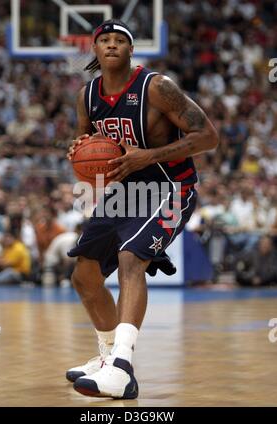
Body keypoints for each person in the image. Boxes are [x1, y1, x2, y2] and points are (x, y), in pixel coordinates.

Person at [66, 19, 219, 399]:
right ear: (96, 50)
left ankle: (122, 367)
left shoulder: (157, 87)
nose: (112, 45)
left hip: (171, 188)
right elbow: (91, 151)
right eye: (105, 40)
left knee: (130, 259)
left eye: (121, 40)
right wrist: (78, 155)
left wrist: (148, 156)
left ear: (131, 50)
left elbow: (208, 136)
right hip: (125, 191)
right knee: (84, 276)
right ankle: (105, 358)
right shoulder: (87, 96)